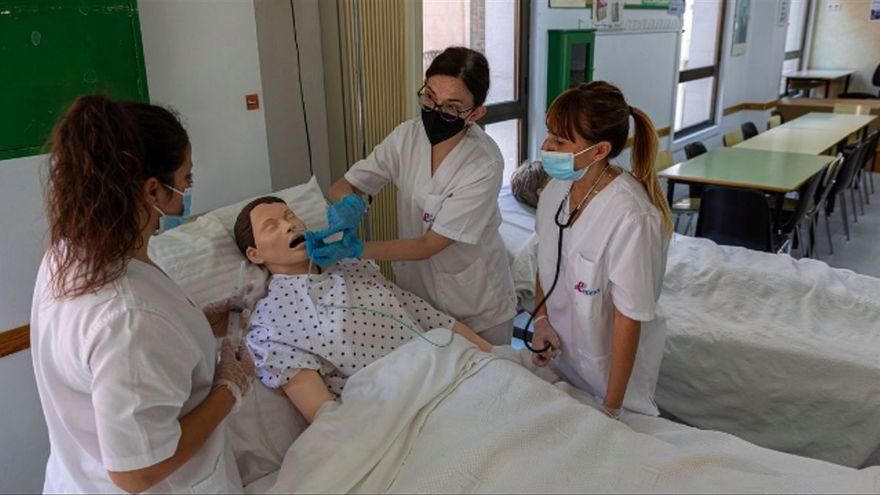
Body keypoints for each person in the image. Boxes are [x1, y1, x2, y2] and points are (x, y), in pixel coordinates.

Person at [30, 95, 255, 493]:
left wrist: (198, 324)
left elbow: (120, 359)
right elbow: (134, 472)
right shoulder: (129, 315)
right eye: (186, 179)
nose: (187, 193)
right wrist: (229, 389)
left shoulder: (66, 254)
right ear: (153, 190)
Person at [312, 46, 517, 346]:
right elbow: (345, 184)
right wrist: (348, 202)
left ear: (474, 114)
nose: (435, 111)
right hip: (418, 298)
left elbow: (428, 244)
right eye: (430, 96)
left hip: (475, 305)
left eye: (451, 107)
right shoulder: (406, 136)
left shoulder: (484, 163)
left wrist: (355, 249)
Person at [232, 197, 492, 422]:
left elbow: (424, 313)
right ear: (255, 255)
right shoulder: (272, 324)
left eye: (290, 216)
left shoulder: (352, 266)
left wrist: (488, 352)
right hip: (391, 406)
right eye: (271, 226)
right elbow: (326, 416)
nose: (290, 225)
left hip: (447, 367)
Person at [529, 81, 673, 419]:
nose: (546, 146)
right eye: (549, 134)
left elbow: (629, 316)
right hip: (561, 364)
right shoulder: (555, 190)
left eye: (560, 141)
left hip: (611, 381)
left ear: (599, 151)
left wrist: (611, 408)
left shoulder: (632, 216)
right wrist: (542, 320)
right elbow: (546, 260)